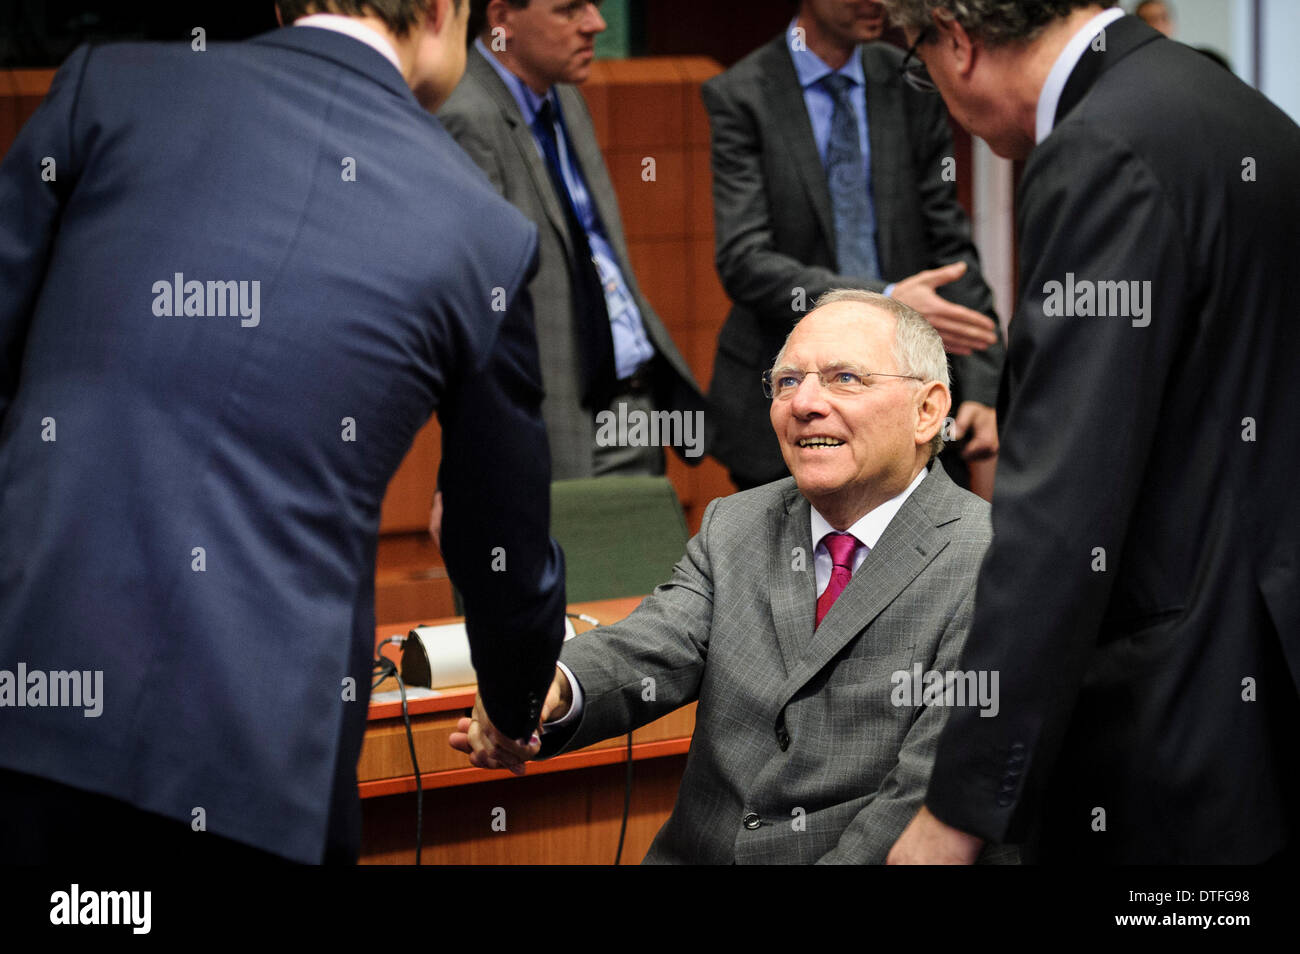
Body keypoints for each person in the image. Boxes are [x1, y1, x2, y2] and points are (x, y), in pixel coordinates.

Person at [0, 0, 567, 864]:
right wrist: (516, 698)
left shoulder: (109, 88)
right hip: (257, 773)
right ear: (448, 12)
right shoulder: (481, 231)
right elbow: (503, 530)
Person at [882, 1, 1300, 863]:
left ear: (956, 41)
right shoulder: (1238, 110)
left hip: (1173, 717)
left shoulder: (1099, 149)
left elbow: (1060, 513)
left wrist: (958, 808)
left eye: (916, 57)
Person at [451, 291, 1016, 864]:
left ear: (927, 411)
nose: (805, 403)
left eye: (845, 378)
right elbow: (649, 647)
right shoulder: (737, 523)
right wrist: (551, 686)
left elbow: (925, 803)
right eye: (789, 381)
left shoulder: (991, 560)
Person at [702, 0, 1004, 493]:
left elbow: (950, 250)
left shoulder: (912, 78)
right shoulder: (743, 93)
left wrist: (985, 387)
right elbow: (744, 261)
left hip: (906, 403)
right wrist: (885, 297)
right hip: (787, 406)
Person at [436, 0, 704, 480]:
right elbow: (476, 308)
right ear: (502, 20)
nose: (596, 24)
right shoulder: (466, 113)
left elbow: (595, 251)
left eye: (596, 6)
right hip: (557, 425)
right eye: (569, 10)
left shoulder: (562, 96)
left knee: (645, 555)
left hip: (634, 403)